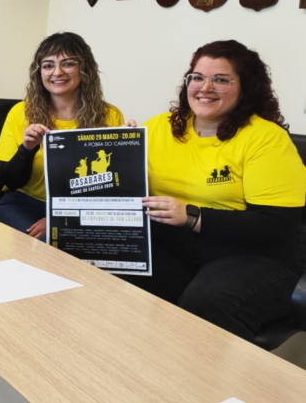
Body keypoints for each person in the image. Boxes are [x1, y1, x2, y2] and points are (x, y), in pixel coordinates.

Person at [125, 40, 305, 343]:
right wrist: (122, 150)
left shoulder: (266, 139)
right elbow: (128, 188)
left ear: (245, 87)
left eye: (220, 79)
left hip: (252, 254)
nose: (205, 87)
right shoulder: (159, 127)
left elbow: (276, 226)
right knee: (111, 269)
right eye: (197, 77)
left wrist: (192, 216)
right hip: (177, 246)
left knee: (206, 302)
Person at [0, 32, 124, 239]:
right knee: (47, 243)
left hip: (84, 208)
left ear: (85, 68)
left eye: (68, 63)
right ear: (39, 72)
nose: (57, 72)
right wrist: (27, 149)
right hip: (24, 202)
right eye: (48, 65)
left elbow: (111, 184)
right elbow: (10, 180)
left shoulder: (110, 115)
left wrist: (130, 145)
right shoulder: (20, 113)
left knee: (80, 242)